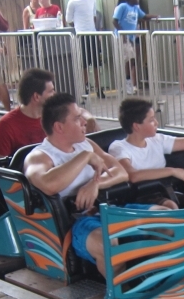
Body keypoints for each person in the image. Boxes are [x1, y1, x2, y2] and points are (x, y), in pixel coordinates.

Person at [23, 93, 128, 275]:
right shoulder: (39, 156)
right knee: (108, 244)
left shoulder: (86, 143)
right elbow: (48, 185)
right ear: (59, 127)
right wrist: (85, 157)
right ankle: (123, 298)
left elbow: (121, 172)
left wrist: (95, 184)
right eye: (77, 118)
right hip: (77, 222)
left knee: (164, 218)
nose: (84, 122)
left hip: (109, 209)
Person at [108, 90, 184, 208]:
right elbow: (133, 176)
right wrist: (172, 171)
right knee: (171, 206)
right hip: (139, 197)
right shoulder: (119, 147)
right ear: (136, 126)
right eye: (151, 120)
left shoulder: (157, 140)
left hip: (165, 191)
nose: (156, 122)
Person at [0, 68, 54, 159]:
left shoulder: (54, 117)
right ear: (36, 97)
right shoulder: (7, 124)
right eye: (51, 91)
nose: (54, 94)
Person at [113, 0, 154, 93]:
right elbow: (115, 21)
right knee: (130, 59)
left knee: (131, 59)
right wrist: (123, 34)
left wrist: (155, 16)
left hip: (130, 38)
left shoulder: (136, 8)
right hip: (122, 38)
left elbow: (144, 16)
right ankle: (127, 83)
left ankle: (128, 83)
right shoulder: (122, 6)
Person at [67, 0, 103, 98]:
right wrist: (79, 28)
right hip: (81, 35)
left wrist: (94, 29)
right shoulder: (72, 2)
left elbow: (93, 15)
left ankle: (99, 87)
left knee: (97, 62)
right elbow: (69, 20)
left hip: (92, 33)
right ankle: (86, 85)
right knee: (84, 63)